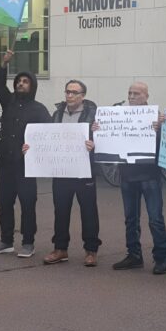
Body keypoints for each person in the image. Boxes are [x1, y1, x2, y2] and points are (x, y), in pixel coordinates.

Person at [0, 49, 51, 258]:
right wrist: (3, 64)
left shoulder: (39, 109)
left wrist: (34, 148)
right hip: (5, 163)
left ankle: (28, 242)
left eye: (26, 81)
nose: (21, 84)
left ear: (32, 86)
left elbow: (48, 135)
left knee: (28, 204)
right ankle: (6, 241)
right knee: (5, 203)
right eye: (19, 81)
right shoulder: (9, 102)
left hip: (26, 166)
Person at [37, 80, 100, 267]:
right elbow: (47, 138)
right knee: (61, 210)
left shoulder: (93, 115)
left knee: (89, 211)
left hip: (84, 170)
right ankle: (60, 249)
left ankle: (91, 250)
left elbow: (105, 139)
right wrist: (31, 148)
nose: (70, 95)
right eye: (67, 91)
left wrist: (94, 144)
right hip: (62, 170)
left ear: (83, 96)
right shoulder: (57, 114)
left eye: (74, 92)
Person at [109, 82, 166, 275]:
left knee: (155, 219)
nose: (132, 96)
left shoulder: (157, 117)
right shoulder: (121, 116)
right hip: (127, 175)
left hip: (149, 175)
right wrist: (99, 128)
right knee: (130, 218)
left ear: (146, 96)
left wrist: (160, 129)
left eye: (136, 93)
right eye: (129, 93)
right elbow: (110, 140)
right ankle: (134, 255)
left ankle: (161, 259)